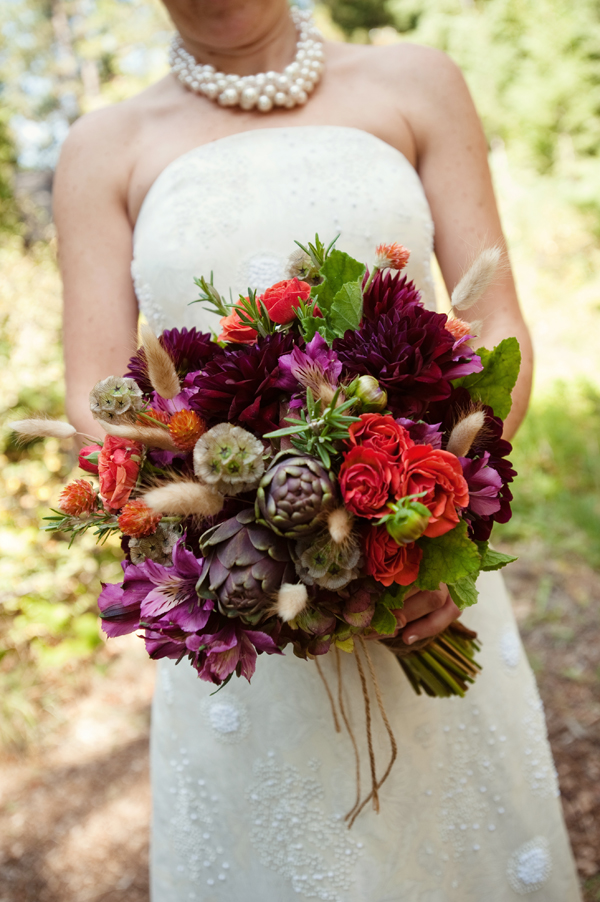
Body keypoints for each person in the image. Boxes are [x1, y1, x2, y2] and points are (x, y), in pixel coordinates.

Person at [53, 1, 582, 899]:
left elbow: (496, 325)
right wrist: (244, 542)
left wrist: (428, 525)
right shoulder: (102, 148)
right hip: (237, 594)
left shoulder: (418, 82)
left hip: (418, 554)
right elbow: (95, 396)